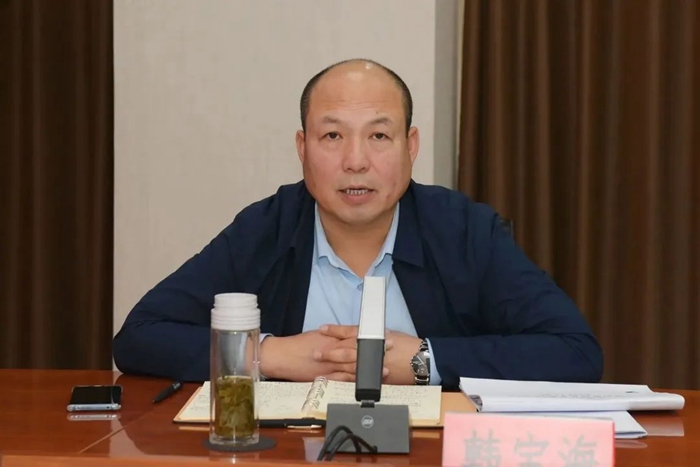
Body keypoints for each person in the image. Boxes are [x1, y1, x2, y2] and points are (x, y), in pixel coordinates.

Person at [113, 59, 603, 388]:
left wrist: (425, 360)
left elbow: (575, 352)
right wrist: (269, 355)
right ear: (302, 148)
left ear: (411, 146)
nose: (355, 161)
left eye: (379, 136)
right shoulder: (266, 228)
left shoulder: (464, 231)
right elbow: (139, 336)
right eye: (332, 136)